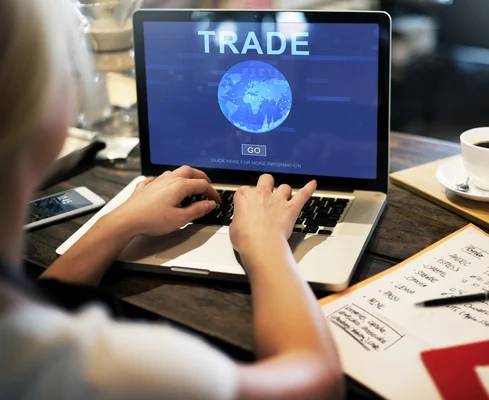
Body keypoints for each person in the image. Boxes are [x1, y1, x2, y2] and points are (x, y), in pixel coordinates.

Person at [0, 1, 343, 399]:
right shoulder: (108, 368)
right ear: (45, 111)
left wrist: (118, 222)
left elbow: (44, 305)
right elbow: (317, 382)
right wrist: (266, 245)